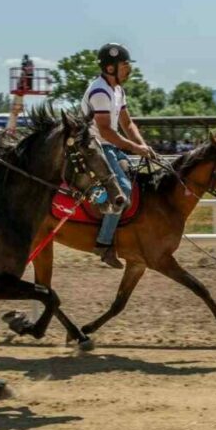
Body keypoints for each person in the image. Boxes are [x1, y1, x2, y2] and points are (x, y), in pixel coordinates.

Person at [80, 42, 154, 268]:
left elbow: (127, 123)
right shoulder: (100, 91)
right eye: (125, 65)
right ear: (110, 68)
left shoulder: (118, 90)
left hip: (108, 146)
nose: (129, 69)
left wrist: (144, 146)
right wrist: (134, 148)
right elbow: (105, 131)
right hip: (94, 147)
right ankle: (103, 244)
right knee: (122, 191)